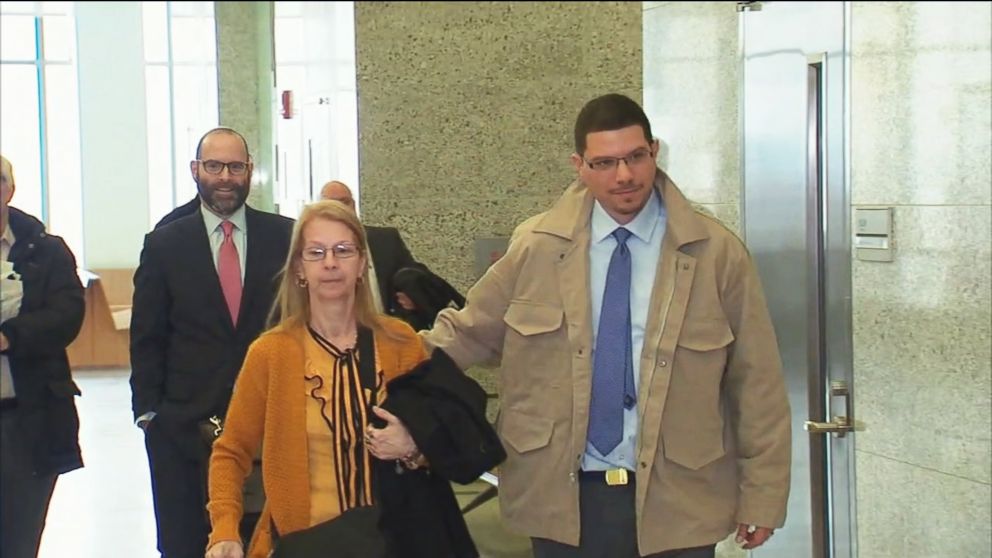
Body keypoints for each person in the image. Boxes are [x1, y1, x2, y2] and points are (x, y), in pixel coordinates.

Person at [422, 94, 791, 558]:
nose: (624, 175)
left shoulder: (715, 253)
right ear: (579, 165)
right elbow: (466, 333)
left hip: (679, 498)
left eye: (636, 157)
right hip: (561, 493)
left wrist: (763, 496)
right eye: (605, 162)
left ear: (654, 151)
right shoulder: (537, 247)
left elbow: (757, 384)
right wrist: (378, 363)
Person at [204, 200, 429, 558]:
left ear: (361, 264)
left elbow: (443, 441)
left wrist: (414, 449)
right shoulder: (271, 353)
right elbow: (230, 452)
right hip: (301, 543)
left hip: (394, 541)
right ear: (299, 269)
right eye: (316, 252)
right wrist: (225, 529)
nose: (330, 263)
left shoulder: (402, 344)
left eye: (343, 250)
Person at [129, 127, 295, 558]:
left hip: (268, 424)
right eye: (215, 166)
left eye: (235, 167)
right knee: (185, 543)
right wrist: (150, 415)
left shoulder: (285, 238)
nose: (225, 177)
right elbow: (147, 336)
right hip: (182, 429)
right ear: (195, 170)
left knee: (266, 541)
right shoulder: (165, 243)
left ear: (249, 173)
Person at [0, 155, 85, 558]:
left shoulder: (46, 251)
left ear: (10, 189)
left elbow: (66, 314)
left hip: (28, 418)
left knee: (19, 539)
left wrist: (9, 337)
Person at [319, 181, 464, 330]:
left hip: (387, 333)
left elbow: (413, 277)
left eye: (345, 202)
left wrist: (413, 298)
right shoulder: (314, 251)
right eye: (332, 205)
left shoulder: (386, 240)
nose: (340, 210)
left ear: (354, 206)